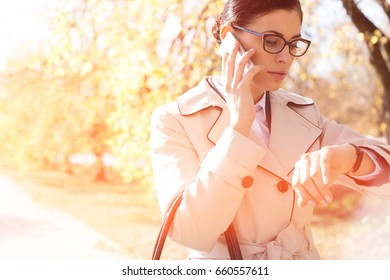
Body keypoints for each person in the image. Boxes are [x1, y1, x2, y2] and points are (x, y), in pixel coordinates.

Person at [150, 0, 390, 260]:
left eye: (293, 44)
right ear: (229, 37)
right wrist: (239, 125)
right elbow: (190, 231)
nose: (285, 58)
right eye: (273, 41)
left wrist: (349, 158)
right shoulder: (175, 119)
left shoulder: (304, 115)